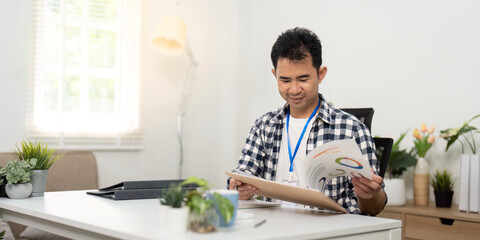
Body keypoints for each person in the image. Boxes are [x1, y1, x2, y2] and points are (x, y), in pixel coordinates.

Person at [228, 27, 386, 215]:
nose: (294, 90)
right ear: (274, 75)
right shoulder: (263, 126)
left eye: (303, 79)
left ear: (320, 74)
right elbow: (239, 180)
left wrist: (368, 195)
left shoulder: (352, 129)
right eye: (285, 80)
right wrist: (238, 188)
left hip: (331, 232)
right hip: (273, 228)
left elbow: (373, 209)